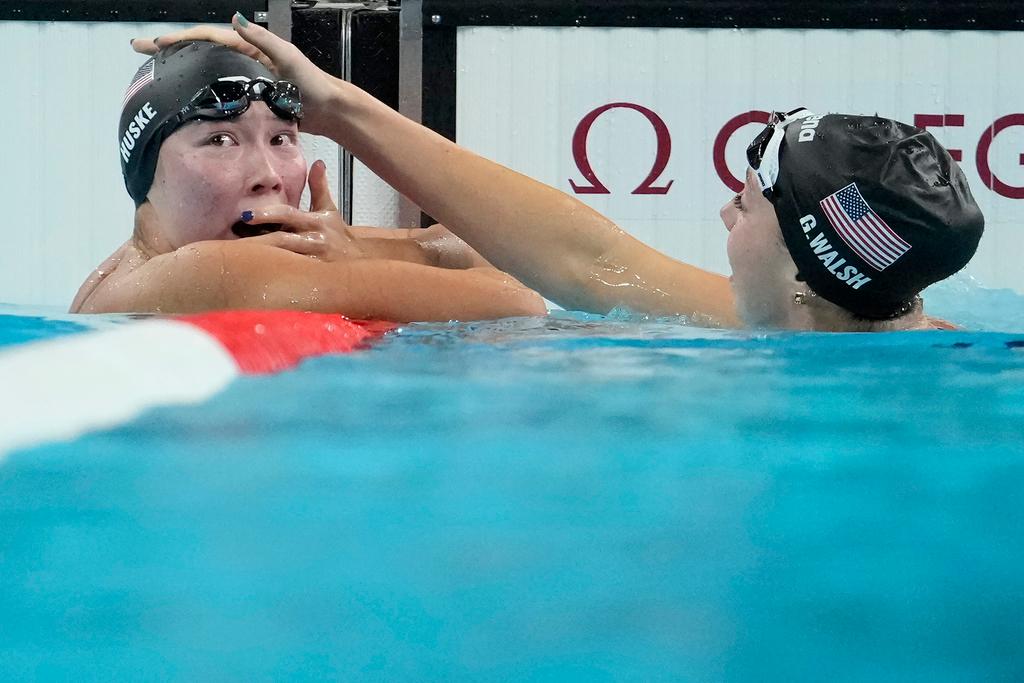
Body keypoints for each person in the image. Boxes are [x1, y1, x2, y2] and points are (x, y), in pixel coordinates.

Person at [131, 15, 985, 332]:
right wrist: (341, 109)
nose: (730, 210)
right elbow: (584, 259)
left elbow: (531, 293)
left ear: (807, 273)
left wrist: (365, 269)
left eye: (754, 198)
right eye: (217, 139)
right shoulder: (826, 317)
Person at [70, 41, 546, 321]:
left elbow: (455, 245)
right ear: (145, 170)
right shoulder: (205, 271)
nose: (269, 177)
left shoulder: (125, 272)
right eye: (219, 140)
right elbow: (518, 300)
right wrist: (355, 259)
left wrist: (349, 251)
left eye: (281, 139)